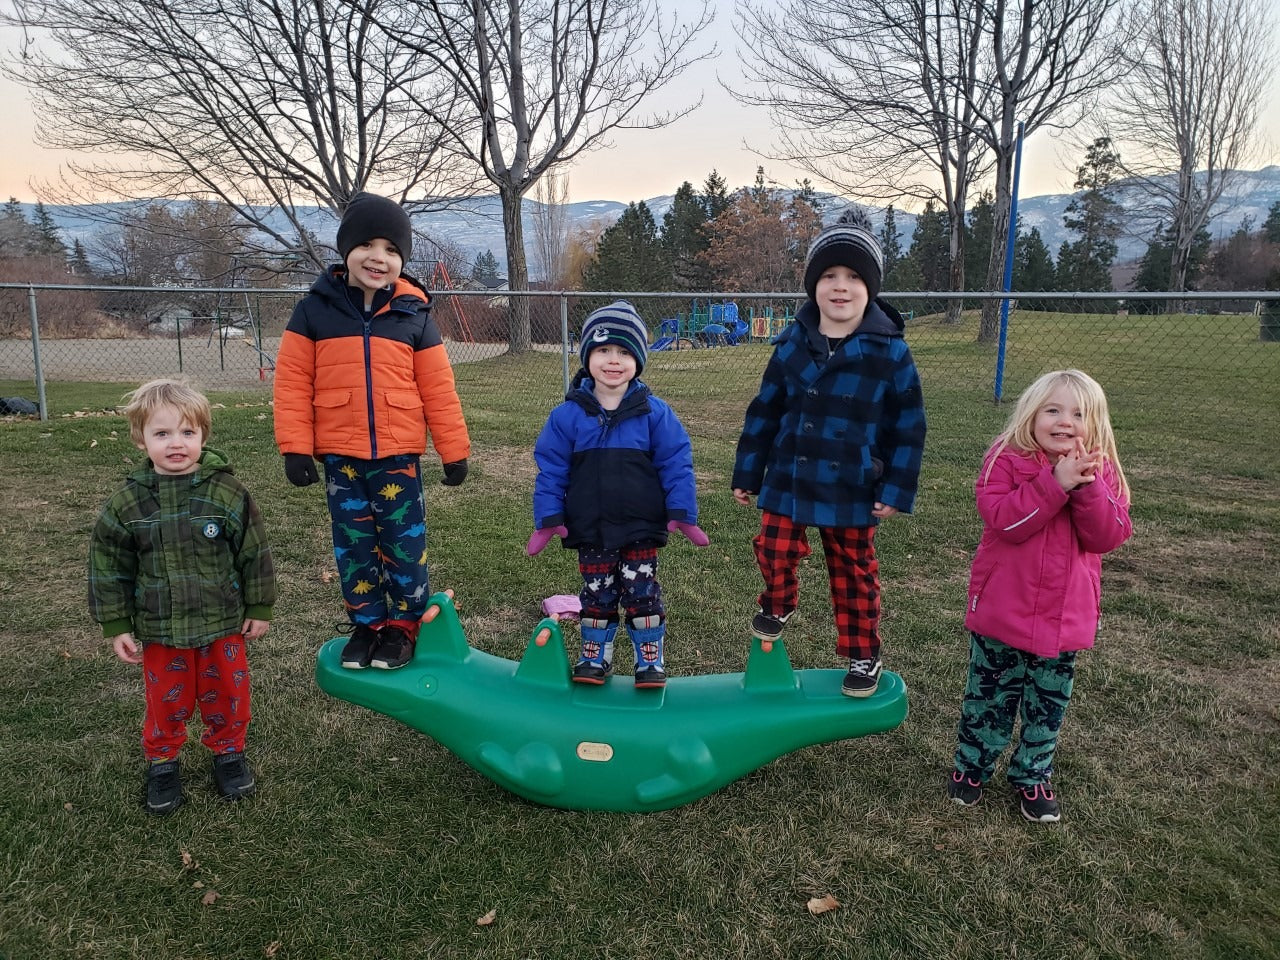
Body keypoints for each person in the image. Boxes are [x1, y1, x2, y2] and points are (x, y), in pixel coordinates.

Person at [732, 207, 926, 698]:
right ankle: (778, 600)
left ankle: (863, 654)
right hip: (790, 476)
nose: (841, 287)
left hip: (853, 482)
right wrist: (748, 472)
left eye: (854, 277)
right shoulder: (790, 343)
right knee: (773, 547)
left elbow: (908, 426)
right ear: (813, 285)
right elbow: (764, 411)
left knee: (852, 573)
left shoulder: (890, 351)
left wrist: (895, 488)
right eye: (829, 276)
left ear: (871, 288)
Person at [274, 192, 471, 672]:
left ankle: (403, 627)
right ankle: (367, 625)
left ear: (402, 260)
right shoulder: (313, 311)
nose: (378, 257)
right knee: (354, 546)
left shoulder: (415, 315)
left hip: (397, 457)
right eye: (366, 244)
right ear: (346, 249)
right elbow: (292, 382)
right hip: (341, 459)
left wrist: (453, 450)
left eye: (391, 249)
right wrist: (295, 447)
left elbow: (438, 389)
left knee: (404, 545)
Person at [946, 369, 1132, 823]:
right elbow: (1004, 520)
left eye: (1079, 414)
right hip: (1003, 613)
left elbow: (1107, 536)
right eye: (1053, 410)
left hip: (1063, 621)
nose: (1065, 421)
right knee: (989, 697)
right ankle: (972, 766)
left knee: (1047, 705)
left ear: (1095, 423)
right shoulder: (1006, 459)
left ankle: (1032, 774)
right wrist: (1055, 483)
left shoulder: (1100, 470)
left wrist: (1085, 487)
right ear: (1031, 414)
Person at [89, 379, 276, 815]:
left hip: (222, 623)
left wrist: (259, 606)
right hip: (161, 628)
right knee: (166, 701)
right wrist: (116, 624)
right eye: (162, 433)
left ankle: (228, 753)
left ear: (203, 436)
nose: (176, 443)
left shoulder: (227, 493)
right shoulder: (127, 503)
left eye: (187, 432)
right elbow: (109, 566)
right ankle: (163, 762)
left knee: (228, 692)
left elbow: (254, 552)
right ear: (141, 439)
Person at [527, 300, 708, 688]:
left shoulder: (655, 414)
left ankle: (650, 659)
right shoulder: (566, 416)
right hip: (590, 527)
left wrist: (682, 511)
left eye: (624, 352)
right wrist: (548, 518)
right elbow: (552, 469)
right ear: (587, 356)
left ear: (638, 360)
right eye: (604, 350)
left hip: (641, 527)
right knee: (597, 595)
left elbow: (677, 462)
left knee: (643, 594)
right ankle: (596, 657)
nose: (613, 360)